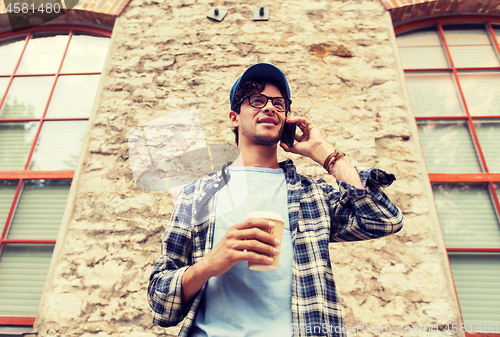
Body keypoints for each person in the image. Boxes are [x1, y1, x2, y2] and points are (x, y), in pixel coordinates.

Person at [148, 63, 403, 337]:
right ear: (234, 117)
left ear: (285, 119)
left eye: (279, 104)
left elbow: (382, 218)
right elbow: (160, 302)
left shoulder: (312, 195)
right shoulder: (197, 195)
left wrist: (323, 153)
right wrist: (209, 264)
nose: (269, 108)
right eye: (257, 101)